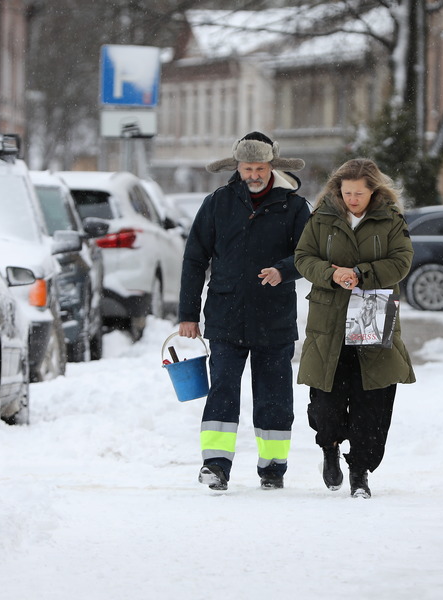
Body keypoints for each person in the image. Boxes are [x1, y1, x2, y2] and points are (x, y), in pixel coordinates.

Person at [178, 131, 310, 491]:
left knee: (274, 396)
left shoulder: (294, 206)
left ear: (272, 167)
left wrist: (284, 269)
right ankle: (215, 465)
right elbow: (194, 259)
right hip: (226, 314)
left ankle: (273, 467)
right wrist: (188, 314)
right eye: (248, 168)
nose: (254, 175)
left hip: (274, 317)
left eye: (260, 168)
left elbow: (309, 255)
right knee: (222, 390)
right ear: (237, 167)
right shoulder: (218, 203)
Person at [294, 158, 416, 498]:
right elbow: (303, 257)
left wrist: (362, 274)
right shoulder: (321, 218)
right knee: (326, 401)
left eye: (359, 194)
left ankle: (360, 471)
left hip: (372, 314)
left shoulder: (390, 219)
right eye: (347, 193)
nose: (352, 200)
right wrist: (331, 274)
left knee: (372, 400)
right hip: (329, 319)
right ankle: (330, 446)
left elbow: (401, 261)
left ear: (373, 191)